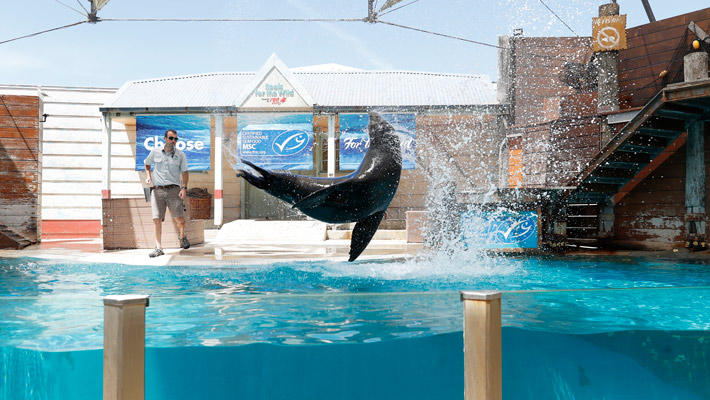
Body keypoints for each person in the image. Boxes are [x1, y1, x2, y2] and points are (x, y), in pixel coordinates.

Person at [144, 129, 190, 257]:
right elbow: (147, 163)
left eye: (176, 139)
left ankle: (183, 235)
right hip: (157, 190)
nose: (173, 141)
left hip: (174, 190)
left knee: (179, 219)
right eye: (171, 138)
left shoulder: (180, 155)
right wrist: (148, 176)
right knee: (156, 219)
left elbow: (185, 172)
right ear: (165, 138)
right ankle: (158, 247)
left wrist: (184, 188)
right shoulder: (155, 152)